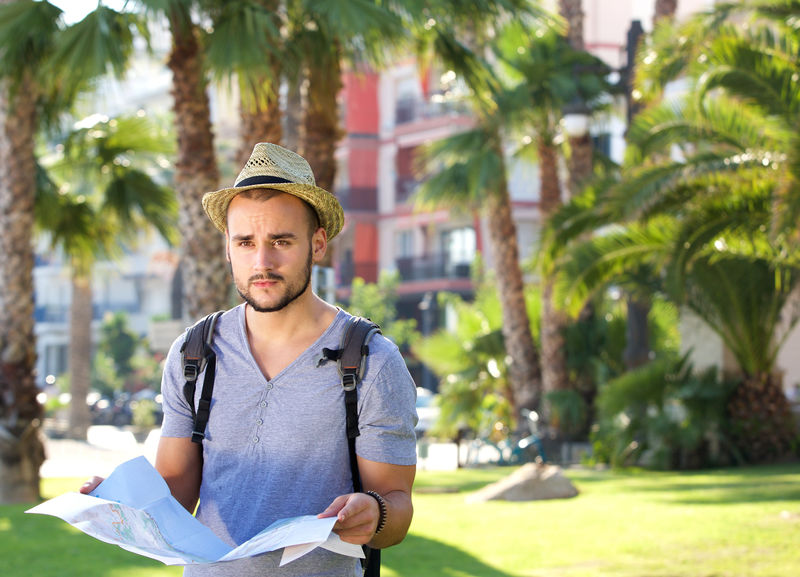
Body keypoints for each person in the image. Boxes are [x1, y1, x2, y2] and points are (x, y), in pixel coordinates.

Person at [81, 143, 418, 576]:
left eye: (281, 241)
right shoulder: (194, 352)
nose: (262, 262)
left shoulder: (371, 361)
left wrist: (375, 513)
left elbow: (397, 505)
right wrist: (121, 502)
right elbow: (176, 491)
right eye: (245, 242)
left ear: (317, 244)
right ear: (228, 247)